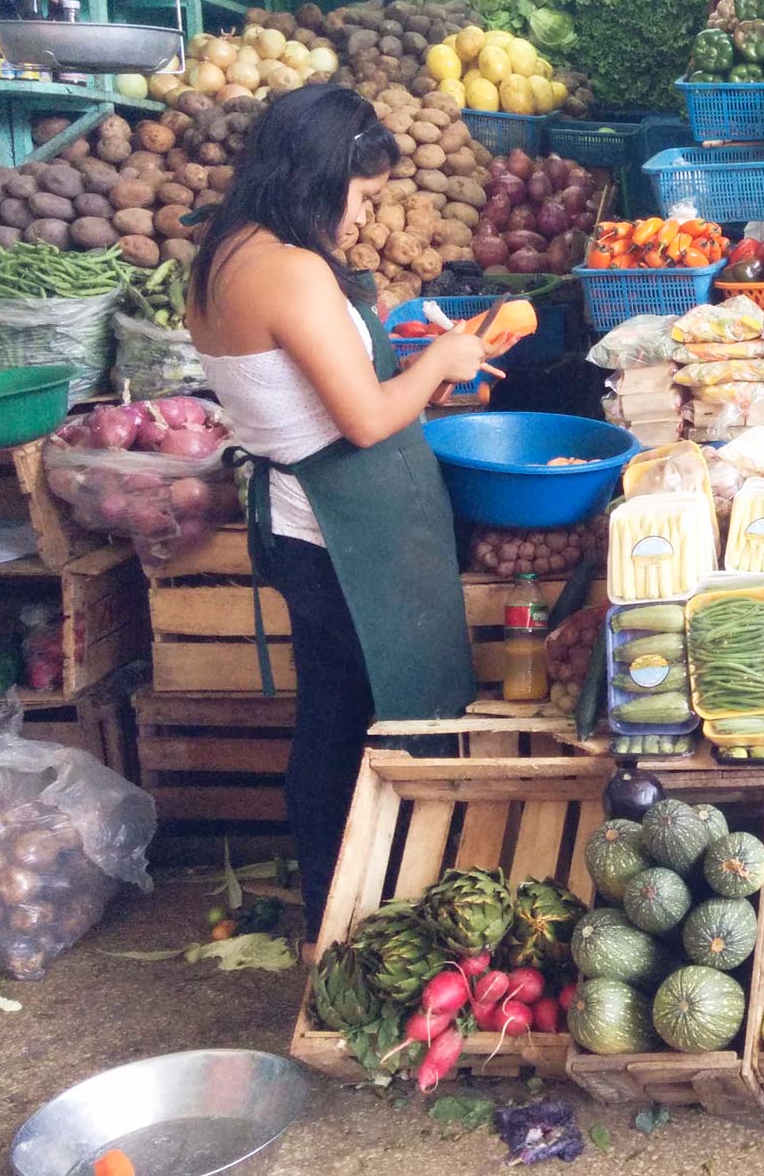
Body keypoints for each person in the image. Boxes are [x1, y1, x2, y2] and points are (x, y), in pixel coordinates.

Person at [186, 84, 485, 935]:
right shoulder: (290, 269)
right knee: (358, 725)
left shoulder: (226, 254)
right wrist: (446, 360)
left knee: (328, 717)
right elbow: (364, 418)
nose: (361, 218)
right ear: (321, 178)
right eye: (362, 197)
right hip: (337, 533)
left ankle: (338, 908)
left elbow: (307, 385)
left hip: (296, 523)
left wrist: (409, 350)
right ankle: (362, 911)